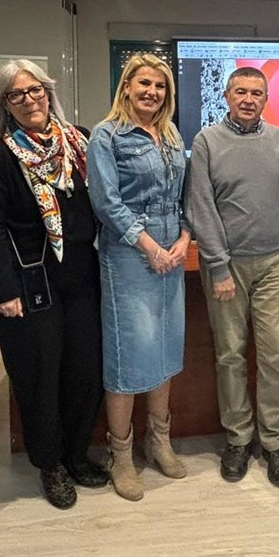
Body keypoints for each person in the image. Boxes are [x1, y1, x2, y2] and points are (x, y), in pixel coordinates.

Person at [0, 60, 108, 509]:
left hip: (84, 276)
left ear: (48, 93)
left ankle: (76, 454)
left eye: (35, 90)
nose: (29, 100)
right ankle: (50, 464)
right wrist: (3, 290)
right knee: (40, 377)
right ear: (5, 105)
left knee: (85, 370)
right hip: (32, 283)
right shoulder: (0, 158)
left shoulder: (80, 141)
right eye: (17, 94)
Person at [185, 67, 279, 487]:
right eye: (241, 92)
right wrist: (218, 265)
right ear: (227, 95)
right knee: (230, 355)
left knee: (276, 355)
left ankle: (275, 442)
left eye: (256, 93)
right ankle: (238, 439)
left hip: (275, 261)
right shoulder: (207, 142)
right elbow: (201, 206)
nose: (248, 99)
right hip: (227, 267)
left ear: (266, 98)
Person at [87, 53, 191, 501]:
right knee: (129, 354)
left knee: (165, 347)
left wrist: (185, 237)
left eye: (160, 86)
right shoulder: (106, 135)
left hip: (171, 252)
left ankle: (159, 441)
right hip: (129, 255)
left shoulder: (170, 135)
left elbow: (182, 197)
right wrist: (148, 246)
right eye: (144, 83)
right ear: (126, 86)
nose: (152, 92)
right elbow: (106, 203)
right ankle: (122, 454)